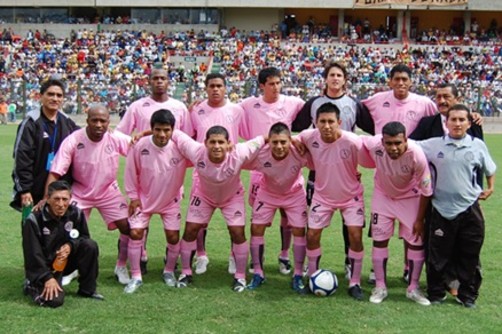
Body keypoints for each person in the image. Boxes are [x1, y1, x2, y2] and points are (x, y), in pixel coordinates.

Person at [292, 61, 374, 280]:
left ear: (345, 79)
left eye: (339, 75)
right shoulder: (314, 103)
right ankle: (311, 266)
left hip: (347, 168)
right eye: (331, 75)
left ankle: (350, 263)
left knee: (351, 227)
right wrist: (299, 143)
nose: (335, 78)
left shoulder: (354, 105)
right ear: (325, 79)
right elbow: (296, 128)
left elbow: (373, 130)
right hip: (319, 170)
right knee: (314, 225)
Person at [362, 63, 436, 284]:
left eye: (405, 79)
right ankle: (378, 275)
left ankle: (408, 269)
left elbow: (443, 116)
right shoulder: (376, 99)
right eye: (397, 79)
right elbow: (357, 113)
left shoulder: (424, 103)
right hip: (386, 165)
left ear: (411, 81)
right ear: (390, 81)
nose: (401, 83)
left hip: (410, 171)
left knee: (412, 231)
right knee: (380, 232)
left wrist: (473, 116)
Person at [417, 104, 496, 308]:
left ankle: (467, 295)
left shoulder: (477, 145)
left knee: (470, 254)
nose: (457, 123)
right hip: (441, 208)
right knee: (437, 255)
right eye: (454, 119)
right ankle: (435, 292)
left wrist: (490, 187)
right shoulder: (433, 145)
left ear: (469, 123)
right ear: (446, 122)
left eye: (462, 120)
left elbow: (490, 168)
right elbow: (406, 145)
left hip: (469, 207)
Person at [117, 66, 193, 275]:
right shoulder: (137, 106)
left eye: (163, 78)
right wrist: (135, 142)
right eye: (155, 78)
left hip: (170, 178)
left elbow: (185, 141)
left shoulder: (179, 107)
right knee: (140, 226)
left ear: (169, 82)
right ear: (149, 81)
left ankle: (170, 266)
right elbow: (120, 134)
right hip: (145, 174)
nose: (159, 82)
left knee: (171, 232)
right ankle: (140, 256)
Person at [409, 83, 484, 296]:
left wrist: (477, 192)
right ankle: (441, 283)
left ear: (456, 98)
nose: (441, 101)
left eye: (446, 97)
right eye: (438, 97)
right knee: (437, 242)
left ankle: (461, 283)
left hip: (464, 196)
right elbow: (411, 145)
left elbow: (477, 159)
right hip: (435, 195)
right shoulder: (427, 123)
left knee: (466, 241)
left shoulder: (473, 123)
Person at [45, 104, 132, 286]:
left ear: (109, 122)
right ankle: (71, 269)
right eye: (95, 120)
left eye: (103, 121)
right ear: (87, 121)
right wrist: (47, 199)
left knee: (127, 227)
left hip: (108, 191)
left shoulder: (115, 137)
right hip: (80, 192)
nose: (99, 124)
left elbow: (139, 149)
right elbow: (56, 171)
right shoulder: (74, 139)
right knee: (70, 231)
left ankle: (121, 266)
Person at [172, 126, 266, 292]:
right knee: (190, 230)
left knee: (237, 232)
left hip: (232, 197)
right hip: (204, 196)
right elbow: (174, 132)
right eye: (213, 142)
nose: (216, 146)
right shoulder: (195, 150)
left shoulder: (240, 151)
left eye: (221, 142)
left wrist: (294, 140)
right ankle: (185, 273)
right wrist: (144, 133)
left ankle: (240, 277)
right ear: (205, 143)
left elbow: (263, 139)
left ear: (228, 143)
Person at [11, 79, 79, 286]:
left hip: (59, 191)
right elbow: (21, 157)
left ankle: (55, 272)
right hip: (33, 191)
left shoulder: (67, 122)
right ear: (41, 96)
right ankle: (32, 276)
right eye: (50, 94)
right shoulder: (31, 122)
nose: (55, 99)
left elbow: (82, 142)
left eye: (59, 95)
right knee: (31, 232)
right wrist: (24, 190)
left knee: (58, 231)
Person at [296, 102, 365, 300]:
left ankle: (355, 282)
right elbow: (293, 137)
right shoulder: (309, 137)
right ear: (315, 123)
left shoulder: (353, 141)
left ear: (339, 122)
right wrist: (297, 143)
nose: (326, 126)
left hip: (350, 196)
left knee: (355, 236)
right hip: (322, 196)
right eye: (322, 122)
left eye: (330, 122)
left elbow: (371, 154)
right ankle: (313, 276)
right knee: (312, 235)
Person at [359, 121, 432, 306]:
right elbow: (353, 141)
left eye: (398, 143)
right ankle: (380, 286)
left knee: (416, 241)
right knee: (380, 238)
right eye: (389, 143)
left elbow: (426, 191)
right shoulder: (374, 143)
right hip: (383, 196)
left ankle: (413, 288)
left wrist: (419, 219)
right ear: (382, 142)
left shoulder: (416, 154)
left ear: (405, 140)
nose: (393, 148)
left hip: (409, 197)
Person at [240, 67, 304, 276]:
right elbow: (227, 111)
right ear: (261, 86)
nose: (276, 87)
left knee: (288, 216)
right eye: (271, 84)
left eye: (278, 83)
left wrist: (297, 139)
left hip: (288, 167)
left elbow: (314, 112)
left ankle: (285, 255)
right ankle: (257, 259)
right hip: (261, 167)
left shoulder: (293, 102)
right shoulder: (249, 105)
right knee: (258, 219)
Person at [123, 109, 189, 293]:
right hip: (144, 200)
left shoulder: (180, 147)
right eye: (158, 129)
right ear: (151, 129)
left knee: (173, 237)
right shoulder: (140, 145)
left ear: (172, 130)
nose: (162, 134)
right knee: (135, 233)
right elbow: (129, 172)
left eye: (166, 130)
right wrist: (133, 197)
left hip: (170, 201)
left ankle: (168, 271)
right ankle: (136, 276)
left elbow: (201, 153)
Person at [245, 122, 311, 294]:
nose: (279, 146)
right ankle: (258, 272)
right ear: (269, 142)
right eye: (275, 142)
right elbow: (239, 153)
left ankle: (297, 273)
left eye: (283, 142)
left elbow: (324, 159)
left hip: (294, 193)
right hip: (267, 193)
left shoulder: (300, 152)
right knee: (256, 228)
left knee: (299, 230)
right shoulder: (261, 154)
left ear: (290, 140)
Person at [189, 73, 244, 275]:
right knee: (199, 220)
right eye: (211, 85)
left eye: (219, 85)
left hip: (229, 172)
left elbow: (245, 135)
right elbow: (190, 136)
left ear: (225, 88)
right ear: (206, 88)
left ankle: (233, 255)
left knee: (234, 222)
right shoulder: (196, 110)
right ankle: (201, 255)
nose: (215, 89)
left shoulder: (237, 110)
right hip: (203, 171)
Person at [22, 180, 102, 308]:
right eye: (56, 199)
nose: (61, 204)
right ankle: (31, 284)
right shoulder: (34, 219)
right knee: (54, 301)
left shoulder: (76, 213)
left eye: (65, 199)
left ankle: (88, 290)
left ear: (70, 199)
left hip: (65, 263)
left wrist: (70, 246)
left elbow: (84, 237)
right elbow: (33, 253)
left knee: (90, 245)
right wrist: (47, 278)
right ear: (47, 199)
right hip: (45, 266)